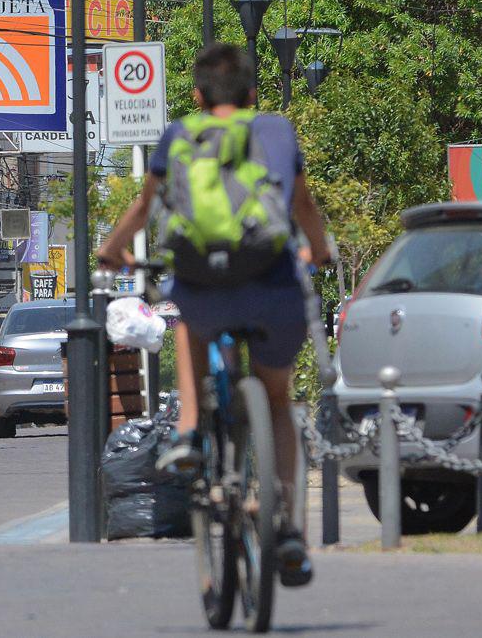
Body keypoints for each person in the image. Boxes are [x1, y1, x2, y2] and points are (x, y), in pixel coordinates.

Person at [97, 43, 331, 587]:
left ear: (198, 96)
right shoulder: (275, 130)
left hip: (205, 284)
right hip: (270, 284)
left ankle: (188, 430)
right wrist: (317, 252)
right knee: (277, 398)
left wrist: (112, 248)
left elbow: (144, 206)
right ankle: (289, 528)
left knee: (189, 321)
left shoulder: (181, 133)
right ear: (252, 94)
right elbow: (304, 208)